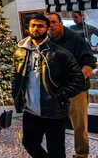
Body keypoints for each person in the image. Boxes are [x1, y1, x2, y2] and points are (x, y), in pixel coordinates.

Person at [12, 13, 84, 158]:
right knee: (29, 144)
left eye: (40, 26)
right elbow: (16, 74)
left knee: (56, 150)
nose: (36, 29)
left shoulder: (60, 53)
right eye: (33, 25)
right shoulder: (20, 51)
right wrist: (17, 93)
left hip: (54, 111)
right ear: (28, 28)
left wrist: (60, 95)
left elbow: (78, 79)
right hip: (31, 110)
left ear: (47, 28)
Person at [48, 13, 96, 158]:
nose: (51, 26)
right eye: (48, 23)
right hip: (57, 91)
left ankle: (81, 155)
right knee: (55, 125)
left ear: (61, 23)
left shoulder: (76, 39)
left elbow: (89, 61)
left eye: (53, 22)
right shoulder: (48, 42)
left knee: (79, 126)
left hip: (77, 91)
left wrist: (78, 80)